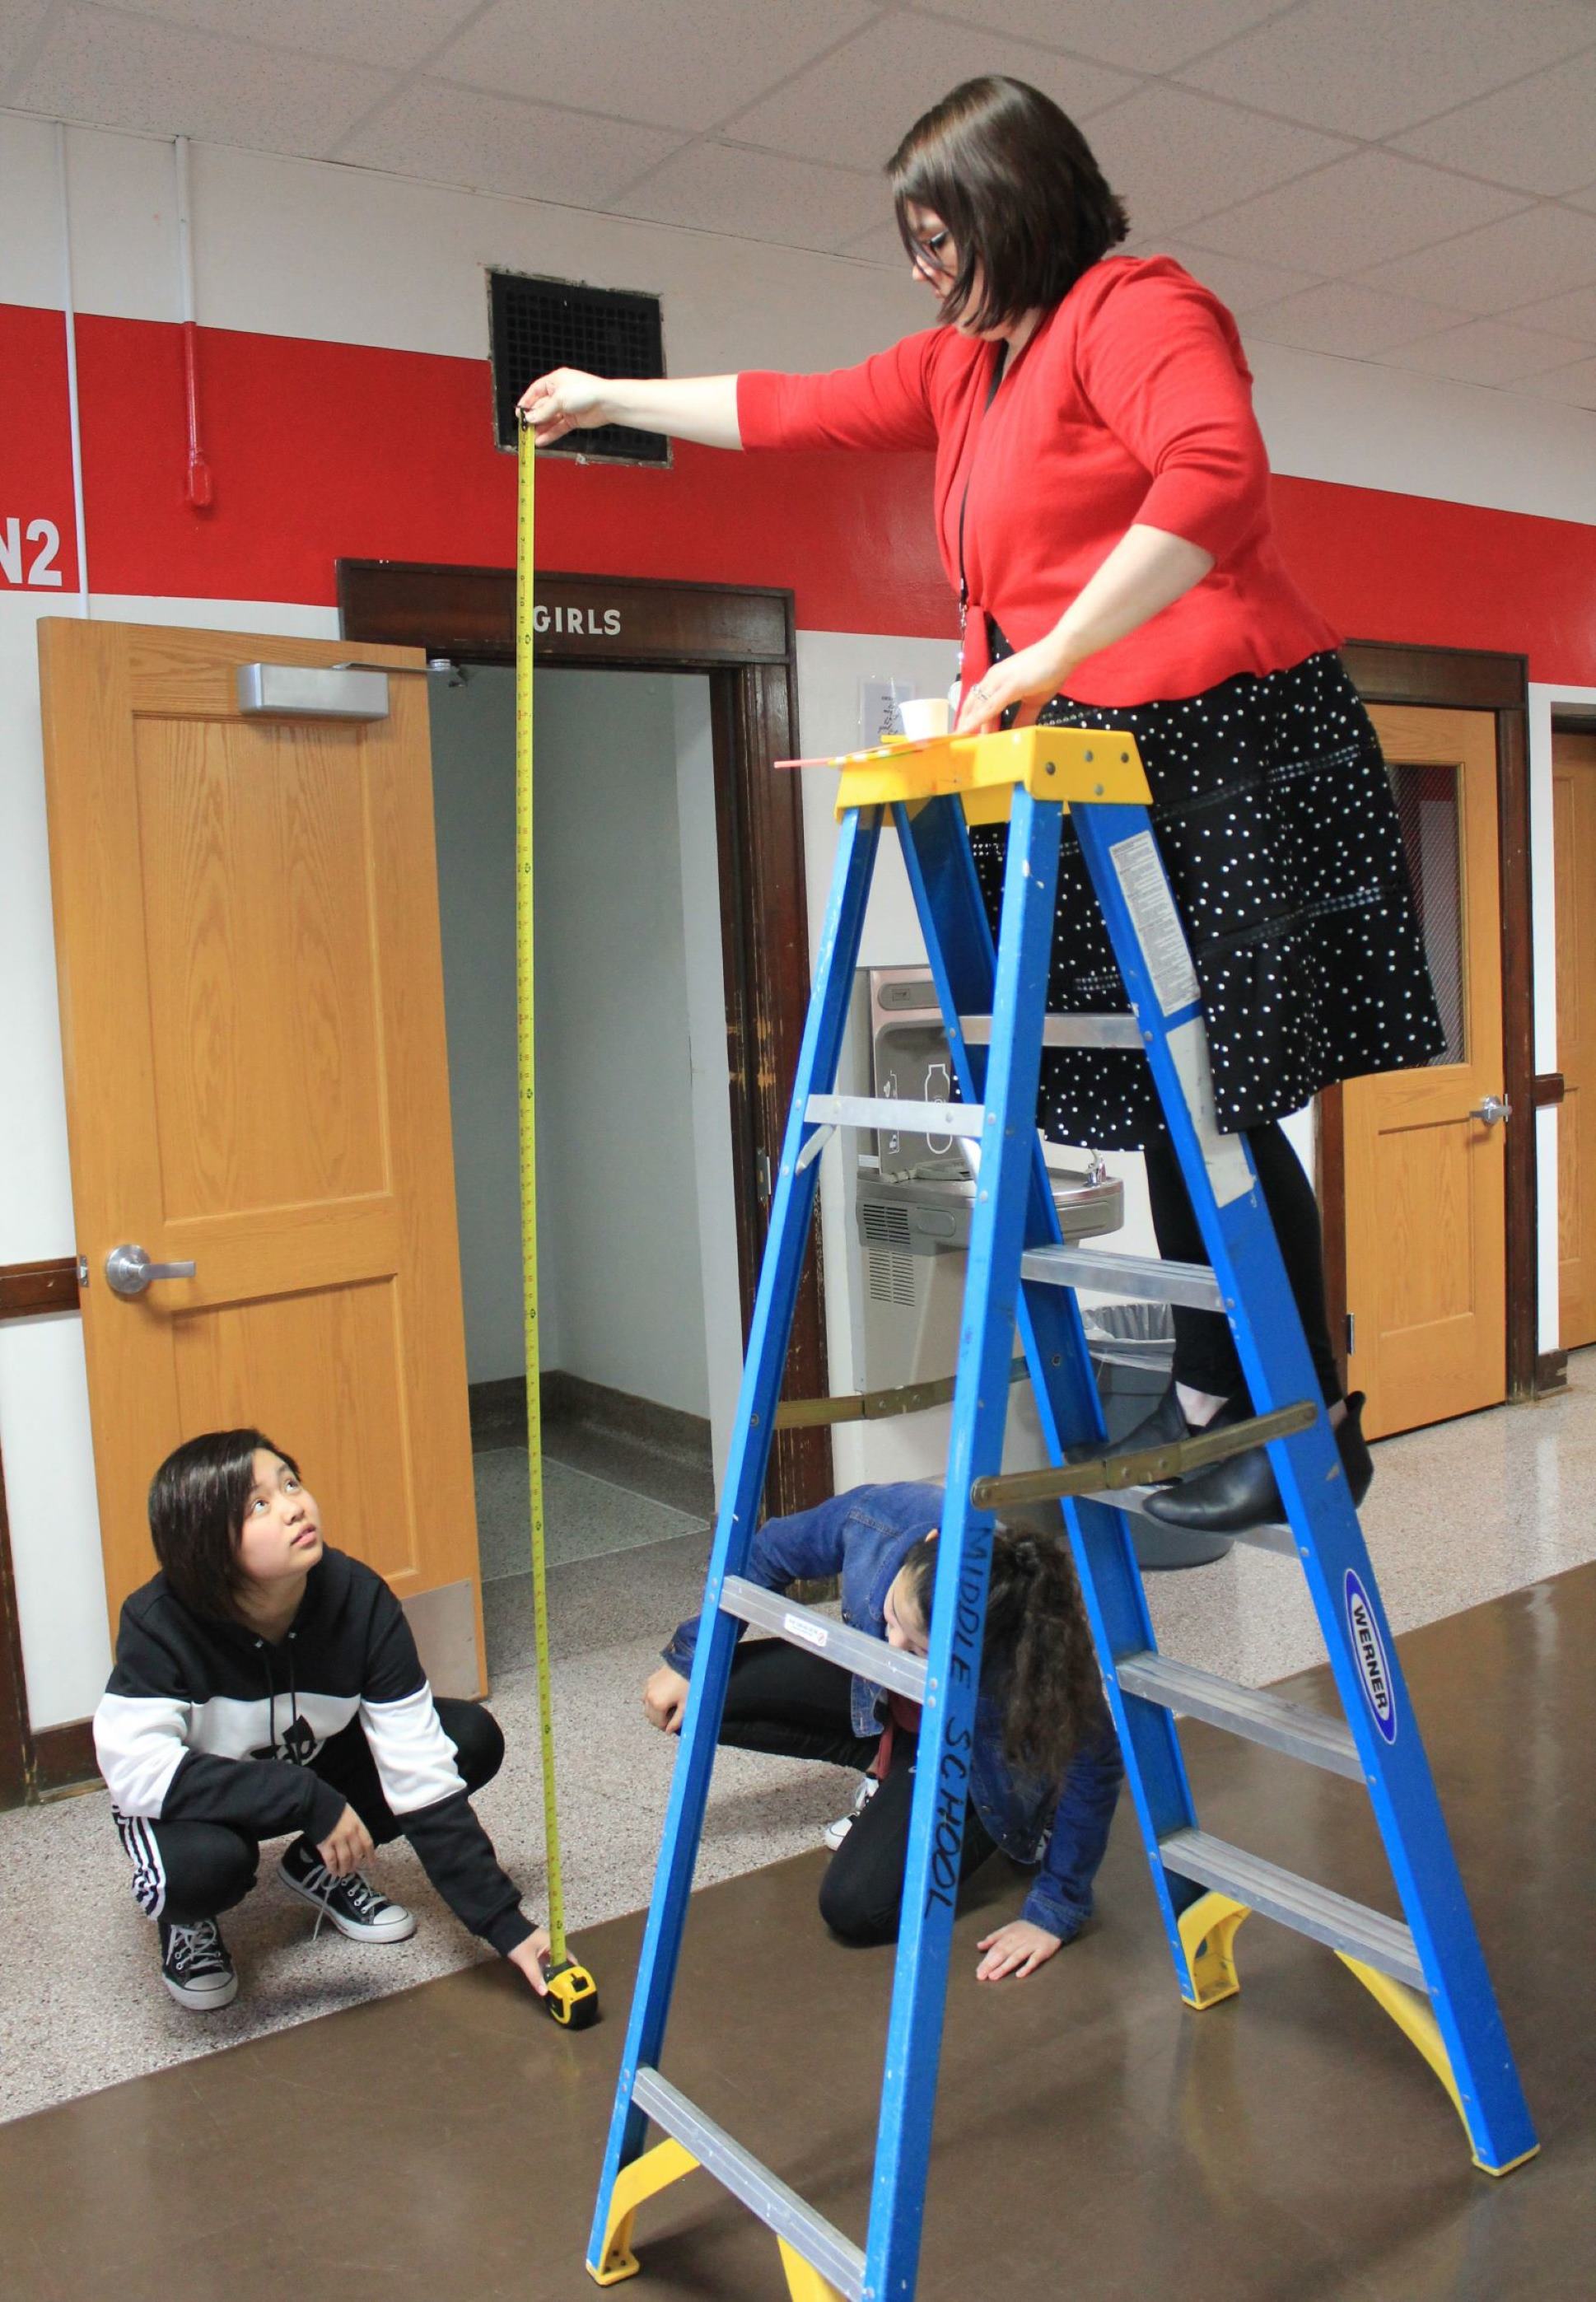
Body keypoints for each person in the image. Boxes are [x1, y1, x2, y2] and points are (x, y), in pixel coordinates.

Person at [520, 75, 1446, 1533]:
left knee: (1213, 1085)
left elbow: (1214, 482)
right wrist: (605, 397)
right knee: (1152, 1082)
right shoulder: (969, 367)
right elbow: (791, 408)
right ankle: (1218, 1395)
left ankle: (1298, 1419)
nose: (923, 270)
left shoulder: (1136, 308)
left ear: (1013, 206)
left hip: (1210, 731)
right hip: (1079, 737)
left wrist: (1051, 656)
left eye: (937, 237)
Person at [94, 1430, 550, 2011]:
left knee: (467, 1737)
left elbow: (420, 1771)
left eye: (290, 1482)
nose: (293, 1506)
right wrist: (304, 1797)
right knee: (200, 1870)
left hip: (308, 1762)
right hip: (204, 1798)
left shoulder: (359, 1597)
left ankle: (321, 1863)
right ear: (205, 1543)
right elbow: (135, 1773)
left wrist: (506, 1925)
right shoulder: (158, 1621)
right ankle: (190, 1923)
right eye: (259, 1504)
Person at [642, 1483, 1122, 1979]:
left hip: (974, 1757)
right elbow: (765, 1553)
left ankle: (969, 1794)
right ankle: (889, 1761)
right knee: (698, 1698)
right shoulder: (881, 1518)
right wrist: (692, 1656)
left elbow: (1097, 1763)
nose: (893, 1644)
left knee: (855, 1907)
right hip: (885, 1700)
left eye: (917, 1649)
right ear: (929, 1540)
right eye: (893, 1616)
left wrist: (1054, 1911)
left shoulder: (1029, 1638)